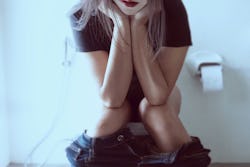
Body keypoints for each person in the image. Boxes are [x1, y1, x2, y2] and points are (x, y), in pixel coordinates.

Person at [65, 0, 211, 167]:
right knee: (110, 116)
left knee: (155, 112)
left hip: (159, 95)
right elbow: (112, 100)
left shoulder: (172, 8)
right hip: (113, 96)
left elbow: (157, 96)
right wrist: (120, 23)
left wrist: (138, 26)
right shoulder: (83, 14)